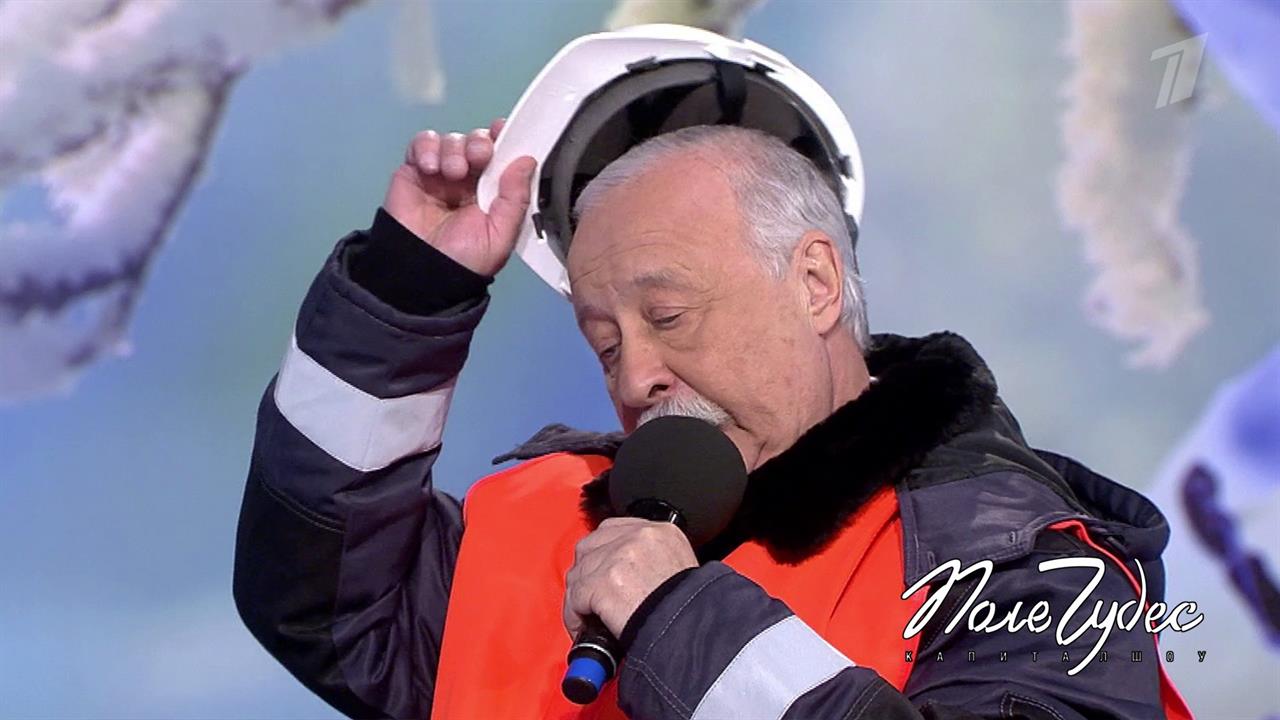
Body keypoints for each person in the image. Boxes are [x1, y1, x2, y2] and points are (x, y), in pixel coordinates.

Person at [234, 28, 1193, 720]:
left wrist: (676, 621)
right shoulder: (549, 530)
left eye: (668, 316)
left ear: (815, 282)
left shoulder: (1027, 565)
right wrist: (406, 292)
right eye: (605, 342)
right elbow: (325, 603)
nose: (635, 378)